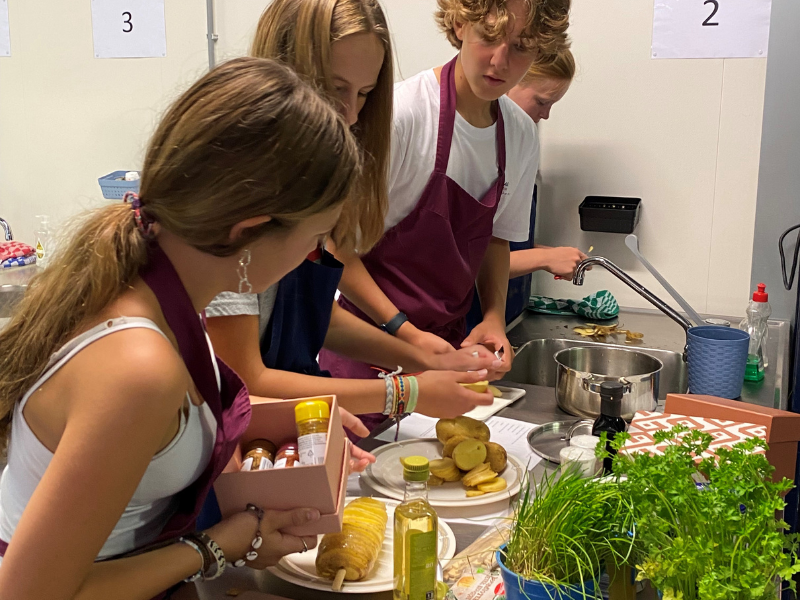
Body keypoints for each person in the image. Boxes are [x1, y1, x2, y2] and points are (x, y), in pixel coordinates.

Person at [0, 57, 361, 600]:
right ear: (249, 231)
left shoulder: (158, 285)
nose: (313, 256)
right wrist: (216, 547)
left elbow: (151, 447)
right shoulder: (137, 368)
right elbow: (29, 593)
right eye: (315, 237)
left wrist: (304, 443)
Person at [205, 0, 499, 426]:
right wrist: (406, 390)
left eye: (364, 94)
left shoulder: (300, 182)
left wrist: (419, 353)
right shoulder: (236, 197)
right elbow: (244, 378)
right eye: (334, 88)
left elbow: (312, 316)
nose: (351, 114)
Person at [320, 0, 572, 425]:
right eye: (489, 39)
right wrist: (404, 330)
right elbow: (338, 248)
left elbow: (495, 239)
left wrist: (492, 316)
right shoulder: (402, 116)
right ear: (459, 24)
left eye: (522, 47)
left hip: (449, 353)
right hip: (367, 350)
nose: (501, 62)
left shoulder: (520, 134)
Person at [467, 47, 583, 329]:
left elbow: (499, 239)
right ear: (509, 81)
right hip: (465, 316)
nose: (545, 115)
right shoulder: (471, 150)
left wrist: (546, 253)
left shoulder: (519, 143)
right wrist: (543, 258)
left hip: (503, 315)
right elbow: (466, 259)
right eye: (542, 102)